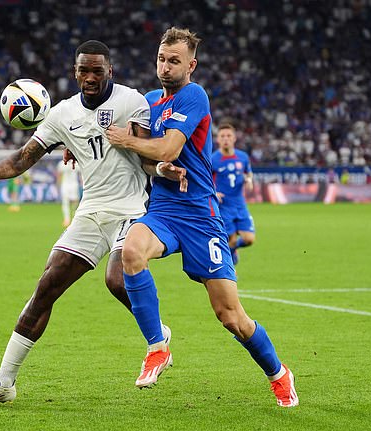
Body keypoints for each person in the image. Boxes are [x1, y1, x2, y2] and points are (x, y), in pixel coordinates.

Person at [0, 40, 186, 409]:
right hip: (91, 212)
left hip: (131, 209)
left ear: (111, 71)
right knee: (46, 287)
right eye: (83, 71)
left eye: (97, 70)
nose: (90, 77)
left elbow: (144, 156)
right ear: (74, 72)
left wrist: (161, 168)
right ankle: (4, 382)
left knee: (115, 278)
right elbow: (21, 160)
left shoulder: (131, 102)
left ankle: (157, 337)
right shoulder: (61, 114)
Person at [105, 27, 298, 407]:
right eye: (161, 58)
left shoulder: (194, 95)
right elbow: (148, 158)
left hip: (201, 217)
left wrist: (133, 144)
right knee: (131, 252)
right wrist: (79, 149)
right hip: (163, 208)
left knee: (231, 316)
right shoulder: (147, 101)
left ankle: (278, 373)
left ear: (190, 64)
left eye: (174, 60)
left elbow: (168, 147)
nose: (165, 66)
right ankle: (157, 347)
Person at [211, 122, 255, 265]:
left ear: (234, 138)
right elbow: (205, 182)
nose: (225, 139)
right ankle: (230, 269)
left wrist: (249, 180)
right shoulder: (213, 160)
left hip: (239, 203)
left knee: (249, 239)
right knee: (230, 239)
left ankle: (233, 250)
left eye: (229, 136)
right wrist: (214, 193)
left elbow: (248, 173)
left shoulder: (243, 157)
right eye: (222, 136)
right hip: (223, 206)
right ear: (218, 139)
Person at [56, 159, 81, 227]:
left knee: (75, 202)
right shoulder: (61, 163)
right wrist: (58, 185)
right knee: (65, 202)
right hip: (65, 185)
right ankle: (67, 219)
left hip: (74, 184)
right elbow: (59, 175)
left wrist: (82, 184)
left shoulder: (76, 164)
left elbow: (80, 175)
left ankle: (75, 218)